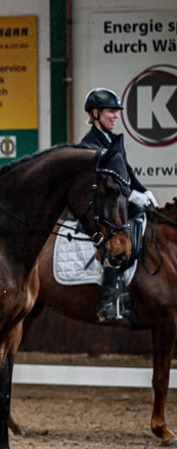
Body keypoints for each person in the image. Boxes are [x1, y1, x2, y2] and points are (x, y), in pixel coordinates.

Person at [80, 88, 158, 322]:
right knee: (116, 243)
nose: (116, 116)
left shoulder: (114, 141)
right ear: (96, 113)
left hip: (120, 204)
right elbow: (104, 183)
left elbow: (128, 174)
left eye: (116, 112)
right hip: (103, 208)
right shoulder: (90, 144)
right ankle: (107, 301)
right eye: (111, 111)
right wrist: (133, 196)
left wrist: (144, 193)